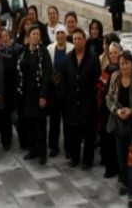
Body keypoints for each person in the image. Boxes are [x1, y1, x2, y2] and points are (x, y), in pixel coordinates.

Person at [106, 50, 132, 208]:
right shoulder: (115, 77)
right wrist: (116, 110)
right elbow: (109, 98)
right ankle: (125, 183)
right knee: (121, 156)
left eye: (127, 63)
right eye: (122, 63)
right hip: (118, 124)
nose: (124, 66)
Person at [63, 28, 101, 169]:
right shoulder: (68, 58)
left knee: (88, 133)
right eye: (75, 39)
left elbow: (97, 81)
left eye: (80, 38)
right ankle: (74, 157)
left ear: (85, 40)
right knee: (74, 132)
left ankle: (87, 161)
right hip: (72, 102)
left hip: (88, 102)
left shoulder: (93, 58)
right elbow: (64, 80)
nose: (77, 41)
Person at [17, 27, 53, 165]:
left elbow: (47, 74)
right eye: (34, 34)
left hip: (39, 94)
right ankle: (32, 150)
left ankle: (42, 153)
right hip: (26, 94)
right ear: (29, 36)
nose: (36, 36)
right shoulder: (24, 51)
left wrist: (43, 95)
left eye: (38, 34)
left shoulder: (43, 52)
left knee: (40, 125)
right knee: (29, 124)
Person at [0, 28, 20, 151]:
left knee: (16, 116)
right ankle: (6, 141)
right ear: (0, 39)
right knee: (5, 117)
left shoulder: (16, 51)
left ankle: (23, 140)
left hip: (14, 90)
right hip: (2, 90)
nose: (5, 38)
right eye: (3, 36)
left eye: (7, 36)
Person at [46, 24, 73, 158]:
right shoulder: (50, 48)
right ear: (55, 35)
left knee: (68, 120)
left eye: (62, 33)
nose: (60, 36)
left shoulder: (71, 48)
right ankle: (53, 146)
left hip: (67, 89)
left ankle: (69, 147)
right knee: (54, 119)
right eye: (58, 33)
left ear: (66, 35)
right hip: (54, 89)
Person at [99, 42, 122, 179]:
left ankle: (120, 168)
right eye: (111, 53)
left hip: (120, 110)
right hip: (107, 110)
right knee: (107, 139)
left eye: (115, 52)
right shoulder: (106, 70)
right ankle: (110, 167)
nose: (113, 55)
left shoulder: (123, 68)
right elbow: (101, 85)